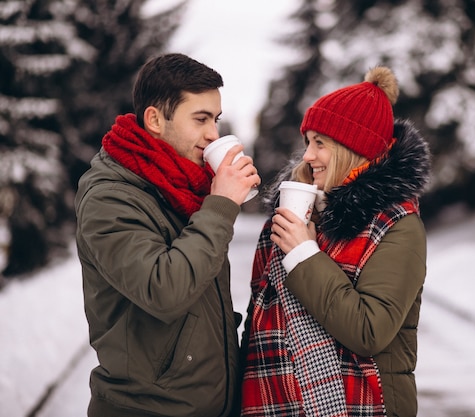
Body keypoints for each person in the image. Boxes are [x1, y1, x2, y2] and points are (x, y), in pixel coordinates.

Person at [75, 53, 260, 417]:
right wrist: (220, 206)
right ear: (155, 119)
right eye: (201, 119)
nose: (213, 134)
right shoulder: (110, 197)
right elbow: (165, 290)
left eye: (216, 120)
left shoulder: (183, 186)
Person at [240, 66, 431, 416]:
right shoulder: (299, 213)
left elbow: (368, 330)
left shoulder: (397, 225)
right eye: (307, 142)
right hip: (274, 400)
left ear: (351, 147)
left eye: (320, 143)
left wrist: (303, 254)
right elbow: (258, 322)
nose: (307, 156)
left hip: (361, 405)